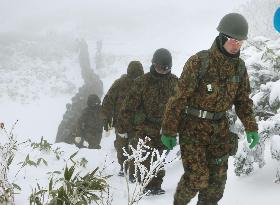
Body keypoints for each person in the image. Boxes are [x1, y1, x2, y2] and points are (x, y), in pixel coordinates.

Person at [160, 13, 259, 205]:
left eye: (240, 42)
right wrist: (169, 129)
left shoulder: (239, 68)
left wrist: (251, 126)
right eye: (233, 40)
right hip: (193, 129)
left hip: (220, 131)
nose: (236, 45)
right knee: (197, 178)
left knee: (216, 187)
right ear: (222, 37)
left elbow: (243, 101)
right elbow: (179, 98)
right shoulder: (199, 62)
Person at [117, 48, 178, 195]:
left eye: (166, 68)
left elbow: (180, 106)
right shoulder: (142, 82)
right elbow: (128, 107)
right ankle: (144, 186)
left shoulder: (175, 82)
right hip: (145, 126)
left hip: (164, 127)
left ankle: (155, 186)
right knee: (146, 156)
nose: (162, 71)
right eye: (159, 67)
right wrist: (122, 129)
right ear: (153, 64)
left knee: (159, 157)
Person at [101, 61, 144, 177]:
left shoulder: (145, 83)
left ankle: (132, 167)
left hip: (137, 122)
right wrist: (106, 118)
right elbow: (108, 100)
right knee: (123, 144)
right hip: (122, 122)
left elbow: (107, 101)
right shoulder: (120, 83)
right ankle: (124, 166)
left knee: (132, 144)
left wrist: (106, 117)